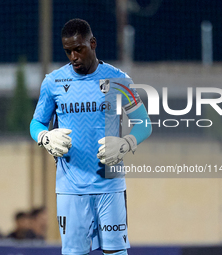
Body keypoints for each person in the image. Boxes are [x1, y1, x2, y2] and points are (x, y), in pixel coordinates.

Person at [30, 18, 152, 255]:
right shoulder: (53, 82)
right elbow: (36, 123)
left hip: (110, 184)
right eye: (68, 51)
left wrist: (126, 143)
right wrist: (45, 137)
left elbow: (144, 124)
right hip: (70, 187)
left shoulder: (118, 79)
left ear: (92, 43)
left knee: (116, 254)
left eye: (79, 49)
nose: (74, 57)